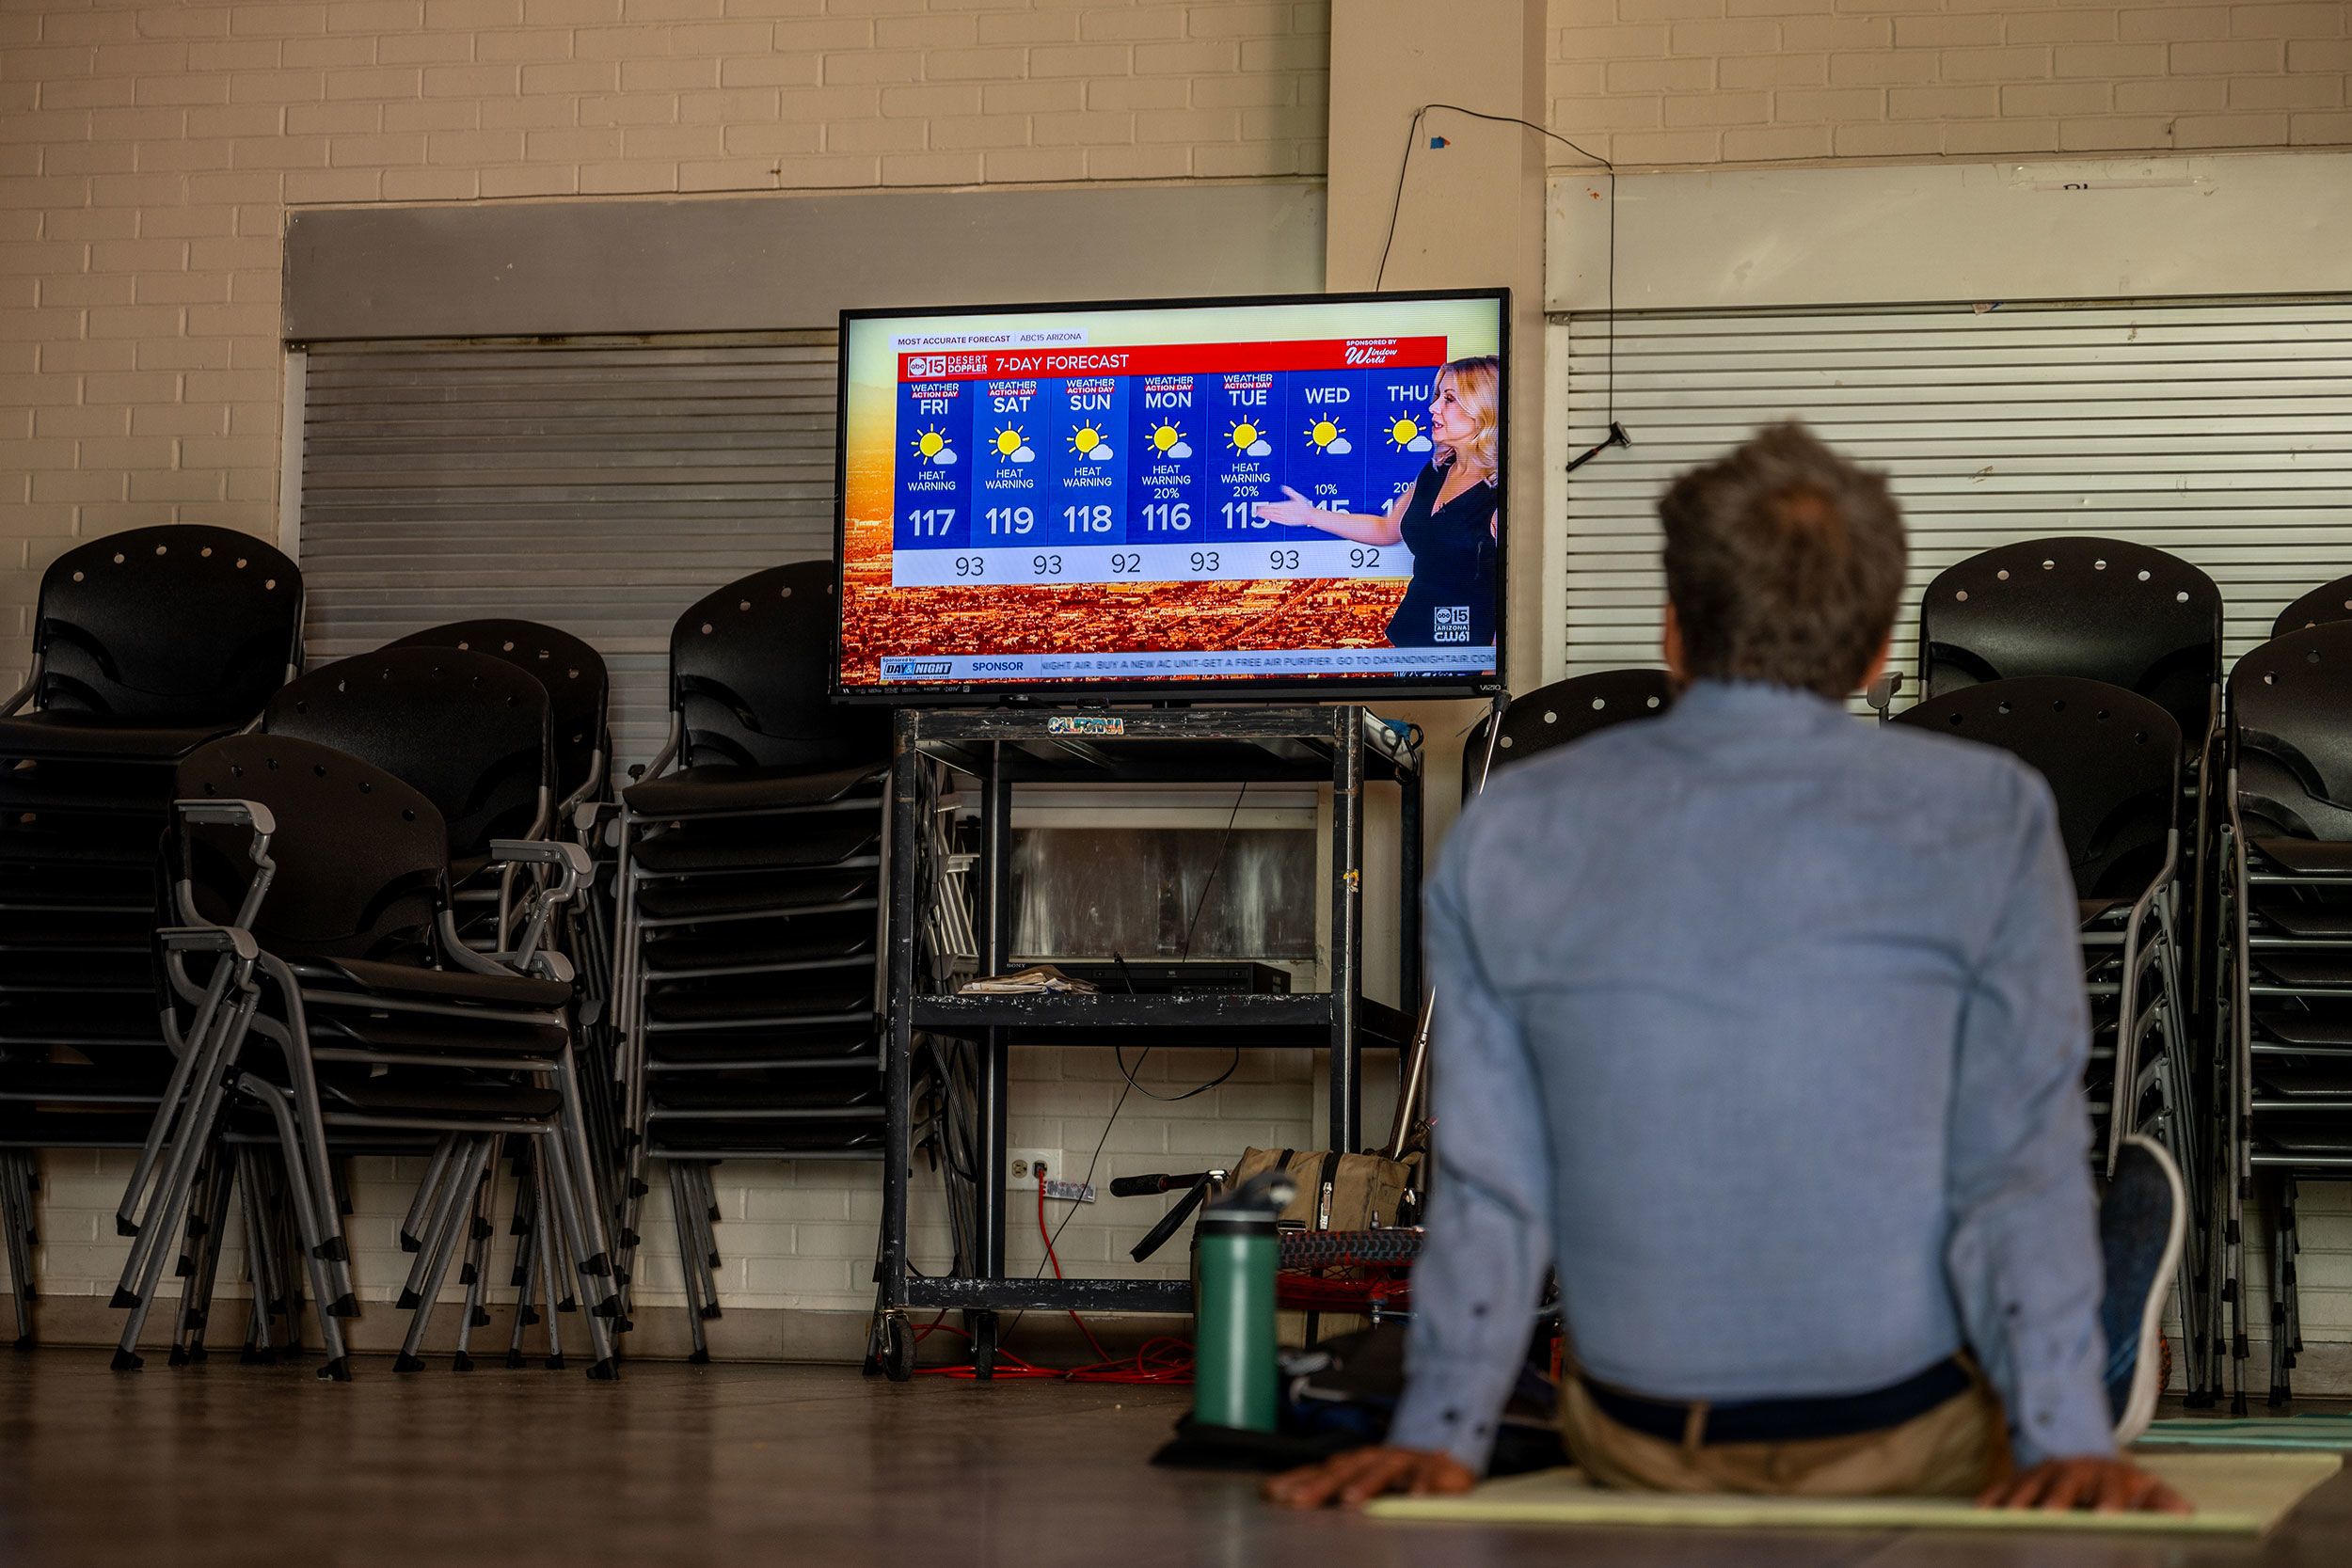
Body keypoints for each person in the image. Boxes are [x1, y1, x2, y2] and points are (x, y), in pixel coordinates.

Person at [1265, 423, 2191, 1515]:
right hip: (1906, 1440)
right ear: (1876, 654)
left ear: (1672, 632)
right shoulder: (1988, 814)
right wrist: (2062, 1441)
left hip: (1642, 1445)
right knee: (2044, 1219)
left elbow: (1494, 1181)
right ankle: (2103, 1360)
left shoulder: (1512, 824)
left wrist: (1442, 1433)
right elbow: (2012, 1166)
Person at [1252, 356, 1500, 650]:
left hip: (1466, 656)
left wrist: (1489, 668)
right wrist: (1310, 515)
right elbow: (1386, 528)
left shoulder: (1500, 495)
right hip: (1410, 641)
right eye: (1438, 397)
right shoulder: (1436, 470)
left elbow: (1510, 595)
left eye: (1449, 399)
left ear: (1483, 409)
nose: (1433, 408)